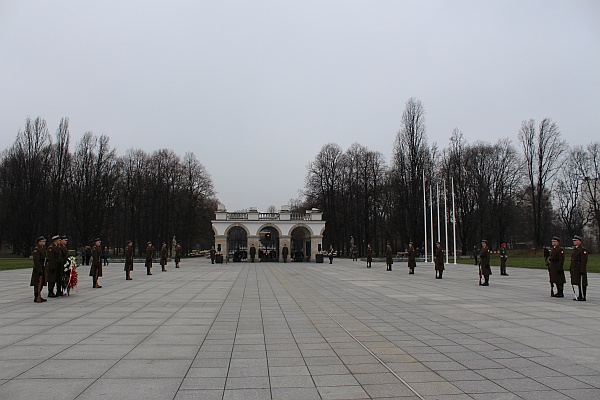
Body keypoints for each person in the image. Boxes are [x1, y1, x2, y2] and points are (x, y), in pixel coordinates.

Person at [570, 235, 588, 301]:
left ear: (579, 241)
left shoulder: (582, 249)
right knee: (578, 282)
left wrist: (582, 270)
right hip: (575, 268)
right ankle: (580, 295)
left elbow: (584, 260)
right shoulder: (575, 249)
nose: (574, 242)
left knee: (582, 282)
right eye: (573, 241)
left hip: (580, 268)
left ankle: (583, 296)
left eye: (575, 241)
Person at [30, 236, 47, 303]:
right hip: (38, 268)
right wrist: (39, 270)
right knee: (37, 282)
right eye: (43, 241)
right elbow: (36, 261)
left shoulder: (43, 249)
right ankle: (36, 296)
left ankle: (39, 294)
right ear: (39, 242)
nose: (44, 242)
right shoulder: (37, 250)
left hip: (42, 267)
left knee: (41, 282)